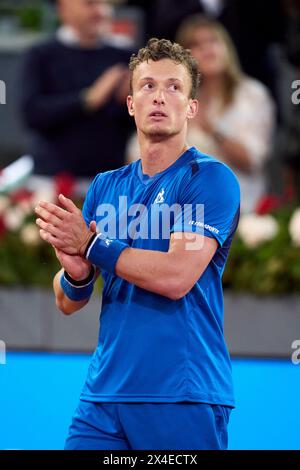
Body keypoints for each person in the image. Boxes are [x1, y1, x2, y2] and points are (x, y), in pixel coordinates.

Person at [35, 38, 240, 450]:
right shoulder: (105, 186)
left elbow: (176, 277)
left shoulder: (209, 179)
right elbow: (68, 300)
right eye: (147, 86)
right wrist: (75, 276)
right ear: (130, 104)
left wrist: (91, 245)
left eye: (174, 87)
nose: (159, 97)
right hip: (102, 397)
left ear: (192, 108)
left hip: (182, 394)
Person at [20, 0, 133, 187]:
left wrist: (130, 103)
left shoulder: (124, 55)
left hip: (109, 181)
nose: (99, 11)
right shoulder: (41, 55)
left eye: (103, 3)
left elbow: (134, 125)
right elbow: (32, 113)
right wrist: (87, 99)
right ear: (62, 8)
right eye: (89, 3)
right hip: (54, 181)